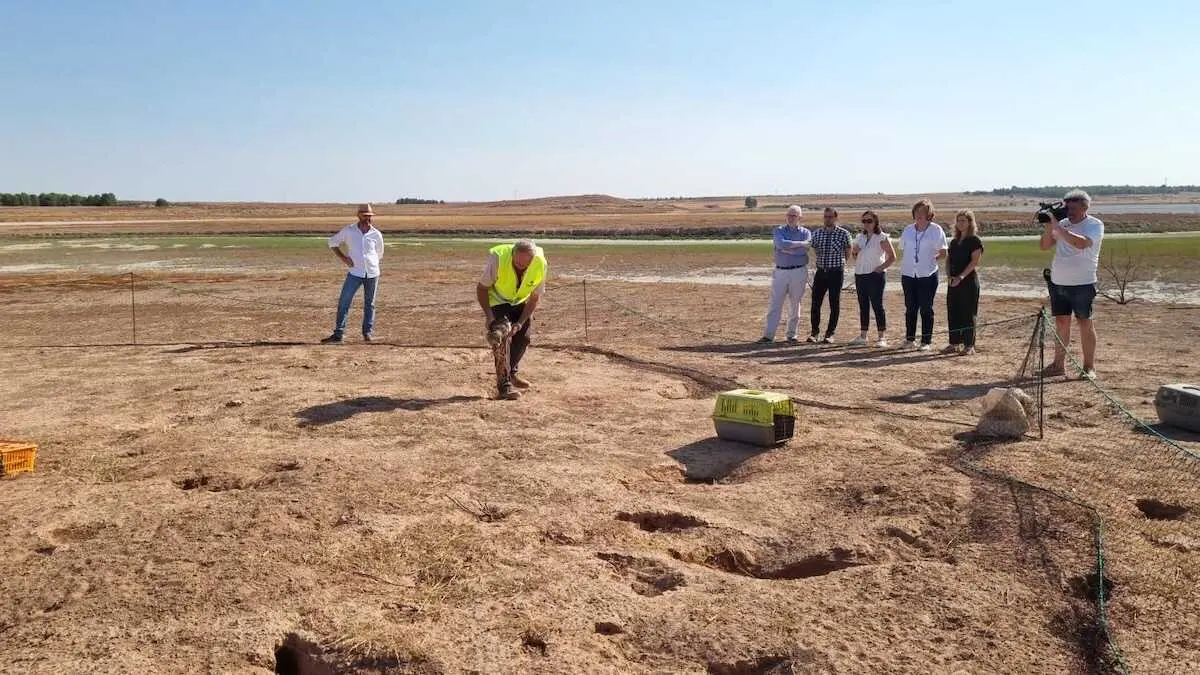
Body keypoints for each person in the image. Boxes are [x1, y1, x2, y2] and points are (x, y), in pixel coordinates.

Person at [1039, 189, 1104, 380]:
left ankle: (1089, 367)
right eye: (1067, 208)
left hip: (1083, 282)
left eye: (1074, 208)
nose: (1070, 211)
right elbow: (1044, 246)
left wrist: (1058, 228)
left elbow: (1081, 244)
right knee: (1061, 323)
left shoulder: (1094, 224)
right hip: (1059, 281)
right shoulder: (1062, 224)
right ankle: (1058, 365)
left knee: (1085, 322)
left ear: (1085, 207)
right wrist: (1049, 225)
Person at [476, 239, 547, 400]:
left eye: (524, 264)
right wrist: (489, 316)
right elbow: (481, 288)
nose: (520, 265)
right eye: (516, 262)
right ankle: (504, 387)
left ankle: (512, 372)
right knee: (501, 337)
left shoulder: (540, 263)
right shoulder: (498, 258)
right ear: (512, 255)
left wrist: (520, 323)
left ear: (532, 259)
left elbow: (535, 298)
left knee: (524, 337)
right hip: (498, 299)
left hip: (521, 301)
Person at [321, 204, 385, 343]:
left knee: (370, 303)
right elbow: (332, 242)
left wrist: (371, 263)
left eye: (369, 216)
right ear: (358, 216)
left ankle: (367, 333)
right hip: (355, 273)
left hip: (372, 274)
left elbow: (379, 253)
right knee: (344, 301)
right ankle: (338, 333)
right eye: (364, 216)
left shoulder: (376, 234)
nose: (367, 218)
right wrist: (344, 258)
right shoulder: (349, 231)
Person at [898, 199, 948, 351]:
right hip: (908, 274)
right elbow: (902, 249)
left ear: (929, 215)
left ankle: (926, 341)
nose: (919, 215)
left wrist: (935, 257)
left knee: (926, 308)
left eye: (923, 212)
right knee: (910, 307)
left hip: (927, 274)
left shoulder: (936, 230)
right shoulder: (908, 230)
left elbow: (944, 252)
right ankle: (910, 339)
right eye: (917, 212)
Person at [758, 205, 812, 343]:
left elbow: (805, 250)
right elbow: (781, 244)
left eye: (794, 215)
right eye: (788, 215)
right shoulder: (779, 230)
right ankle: (769, 335)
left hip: (799, 271)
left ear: (800, 217)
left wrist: (791, 248)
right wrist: (799, 245)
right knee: (775, 303)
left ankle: (792, 335)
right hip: (781, 271)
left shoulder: (806, 232)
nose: (790, 218)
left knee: (795, 304)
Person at [848, 210, 895, 347]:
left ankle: (882, 337)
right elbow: (855, 256)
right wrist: (855, 252)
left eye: (869, 221)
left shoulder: (881, 237)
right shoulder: (859, 237)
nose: (866, 224)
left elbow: (892, 257)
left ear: (875, 222)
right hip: (860, 274)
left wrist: (881, 268)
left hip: (875, 275)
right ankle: (863, 335)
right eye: (864, 221)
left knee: (877, 305)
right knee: (863, 305)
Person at [807, 207, 853, 343]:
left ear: (836, 218)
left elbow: (848, 249)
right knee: (815, 303)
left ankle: (829, 334)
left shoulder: (844, 233)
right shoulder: (817, 233)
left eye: (830, 217)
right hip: (821, 272)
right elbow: (813, 247)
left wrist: (842, 264)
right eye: (826, 216)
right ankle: (814, 333)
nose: (828, 219)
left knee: (834, 303)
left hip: (836, 272)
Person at [945, 209, 985, 355]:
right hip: (953, 282)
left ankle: (969, 345)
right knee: (953, 311)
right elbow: (948, 260)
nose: (960, 223)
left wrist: (961, 277)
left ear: (970, 223)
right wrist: (949, 276)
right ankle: (954, 343)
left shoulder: (975, 241)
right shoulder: (954, 242)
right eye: (959, 220)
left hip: (968, 282)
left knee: (968, 313)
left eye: (964, 221)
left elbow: (974, 262)